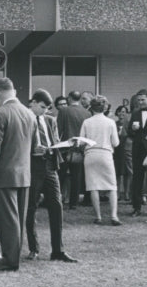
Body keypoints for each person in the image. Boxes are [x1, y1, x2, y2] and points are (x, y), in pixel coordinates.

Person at [0, 77, 38, 272]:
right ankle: (14, 257)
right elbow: (34, 146)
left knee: (7, 220)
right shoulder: (29, 114)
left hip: (3, 175)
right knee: (18, 219)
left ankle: (10, 260)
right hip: (24, 174)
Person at [25, 89, 78, 263]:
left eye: (47, 108)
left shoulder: (50, 120)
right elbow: (19, 145)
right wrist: (32, 150)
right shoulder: (25, 119)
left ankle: (58, 250)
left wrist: (67, 144)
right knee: (31, 208)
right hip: (32, 167)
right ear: (33, 103)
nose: (44, 111)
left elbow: (55, 142)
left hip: (50, 166)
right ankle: (33, 248)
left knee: (56, 206)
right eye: (41, 107)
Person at [79, 95, 121, 225]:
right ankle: (114, 216)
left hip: (90, 154)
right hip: (105, 154)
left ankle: (98, 216)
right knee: (112, 186)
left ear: (91, 107)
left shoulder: (87, 122)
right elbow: (116, 143)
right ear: (105, 107)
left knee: (93, 186)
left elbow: (81, 141)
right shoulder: (110, 122)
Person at [127, 89, 147, 217]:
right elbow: (129, 132)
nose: (140, 102)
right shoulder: (135, 112)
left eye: (143, 100)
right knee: (137, 178)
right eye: (138, 100)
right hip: (138, 149)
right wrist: (133, 129)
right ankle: (136, 207)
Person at [56, 90, 91, 209]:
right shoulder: (87, 113)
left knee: (60, 175)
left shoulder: (64, 111)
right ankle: (73, 203)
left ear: (70, 98)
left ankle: (57, 199)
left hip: (65, 147)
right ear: (79, 99)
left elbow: (58, 130)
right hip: (80, 148)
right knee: (76, 176)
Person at [113, 104, 132, 202]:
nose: (121, 113)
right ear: (117, 113)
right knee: (117, 171)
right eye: (120, 111)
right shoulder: (114, 123)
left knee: (127, 172)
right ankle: (117, 193)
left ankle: (127, 193)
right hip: (117, 149)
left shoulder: (129, 124)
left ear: (127, 113)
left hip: (127, 148)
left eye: (124, 112)